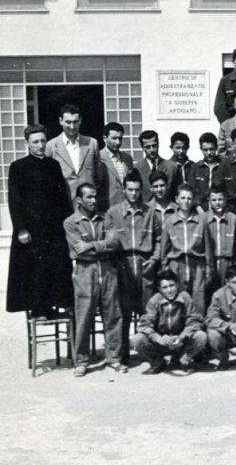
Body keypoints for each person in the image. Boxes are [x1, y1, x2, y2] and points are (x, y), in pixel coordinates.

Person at [6, 124, 74, 316]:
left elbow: (62, 198)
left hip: (53, 229)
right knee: (34, 270)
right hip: (31, 230)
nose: (40, 145)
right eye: (35, 142)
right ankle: (37, 308)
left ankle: (54, 306)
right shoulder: (18, 167)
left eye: (43, 141)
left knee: (55, 268)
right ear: (27, 143)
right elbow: (15, 200)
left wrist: (68, 225)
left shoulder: (53, 165)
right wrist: (21, 228)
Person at [64, 182, 124, 377]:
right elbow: (78, 251)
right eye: (89, 197)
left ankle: (113, 358)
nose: (94, 200)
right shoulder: (71, 222)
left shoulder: (106, 218)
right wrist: (101, 246)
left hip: (107, 270)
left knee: (112, 314)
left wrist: (90, 246)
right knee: (83, 317)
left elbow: (114, 243)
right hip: (84, 272)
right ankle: (81, 361)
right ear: (79, 200)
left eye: (95, 196)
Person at [106, 171, 160, 364]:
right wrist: (116, 264)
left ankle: (150, 353)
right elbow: (108, 243)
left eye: (137, 190)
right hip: (124, 265)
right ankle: (122, 354)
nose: (134, 194)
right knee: (123, 311)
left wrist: (154, 259)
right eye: (130, 189)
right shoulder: (113, 213)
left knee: (148, 311)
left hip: (145, 264)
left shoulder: (151, 212)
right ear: (123, 190)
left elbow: (159, 239)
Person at [132, 269, 208, 375]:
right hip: (162, 342)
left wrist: (181, 337)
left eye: (172, 285)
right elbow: (145, 325)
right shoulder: (155, 300)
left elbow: (194, 321)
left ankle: (183, 359)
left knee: (201, 336)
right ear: (159, 289)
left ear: (177, 285)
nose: (169, 290)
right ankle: (157, 362)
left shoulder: (185, 297)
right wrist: (159, 338)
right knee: (137, 339)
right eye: (165, 287)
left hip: (181, 342)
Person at [160, 184, 209, 314]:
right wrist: (165, 270)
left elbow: (208, 249)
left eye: (189, 198)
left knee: (198, 303)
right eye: (183, 198)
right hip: (176, 266)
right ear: (177, 199)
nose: (186, 201)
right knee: (178, 302)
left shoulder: (201, 221)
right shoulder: (169, 222)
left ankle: (197, 325)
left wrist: (208, 270)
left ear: (193, 200)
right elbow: (164, 250)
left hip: (197, 266)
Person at [46, 103, 102, 201]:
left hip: (88, 203)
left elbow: (98, 175)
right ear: (60, 121)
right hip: (64, 203)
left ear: (80, 121)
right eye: (68, 122)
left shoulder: (92, 143)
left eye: (75, 122)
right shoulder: (51, 146)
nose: (72, 126)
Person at [134, 130, 181, 202]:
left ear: (158, 144)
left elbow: (178, 193)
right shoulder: (137, 168)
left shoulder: (172, 167)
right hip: (145, 208)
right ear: (142, 147)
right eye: (148, 147)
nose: (152, 150)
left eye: (154, 145)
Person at [98, 122, 134, 211]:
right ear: (105, 138)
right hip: (107, 208)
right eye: (114, 138)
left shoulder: (127, 158)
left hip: (127, 207)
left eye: (120, 138)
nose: (118, 142)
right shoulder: (97, 158)